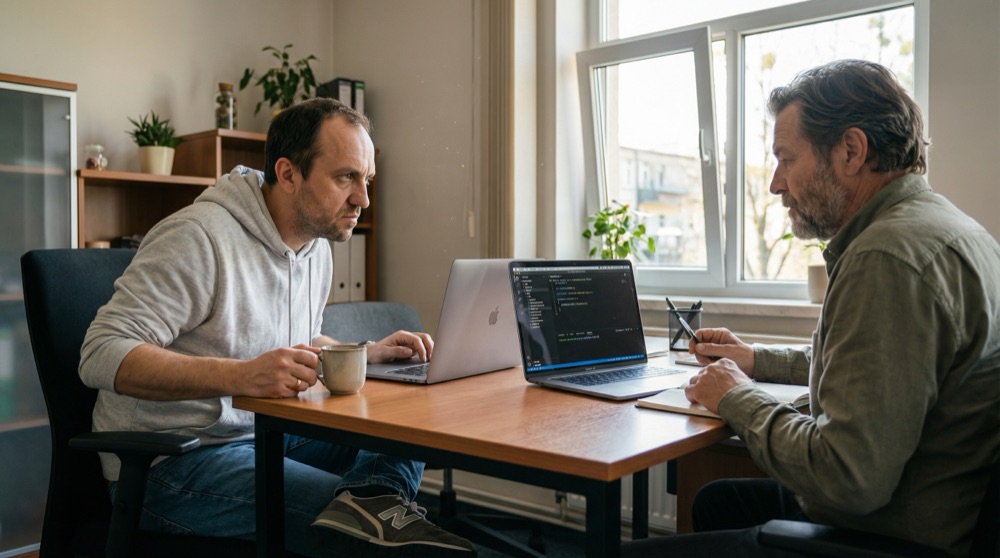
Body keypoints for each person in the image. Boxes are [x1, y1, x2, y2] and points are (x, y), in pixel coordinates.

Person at [623, 59, 1000, 557]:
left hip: (887, 535)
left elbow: (846, 478)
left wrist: (737, 396)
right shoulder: (951, 230)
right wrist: (756, 358)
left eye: (786, 158)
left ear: (850, 150)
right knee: (719, 500)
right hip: (933, 506)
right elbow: (873, 366)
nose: (777, 184)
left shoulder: (886, 258)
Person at [79, 98, 477, 558]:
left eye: (366, 180)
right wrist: (240, 376)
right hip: (174, 460)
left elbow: (293, 343)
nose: (363, 199)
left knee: (407, 424)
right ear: (288, 174)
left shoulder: (315, 246)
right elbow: (101, 352)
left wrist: (365, 352)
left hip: (267, 432)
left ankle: (370, 503)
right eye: (346, 177)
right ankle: (368, 516)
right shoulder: (198, 237)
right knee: (359, 528)